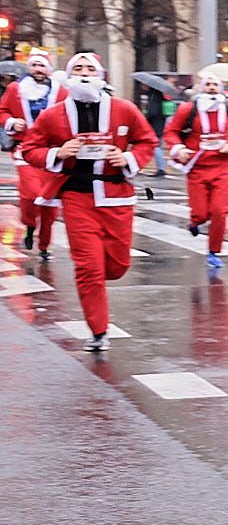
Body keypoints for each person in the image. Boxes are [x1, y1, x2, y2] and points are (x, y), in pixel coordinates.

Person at [17, 53, 157, 351]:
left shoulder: (124, 109)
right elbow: (31, 149)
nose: (83, 73)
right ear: (68, 76)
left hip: (117, 197)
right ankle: (98, 331)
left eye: (89, 68)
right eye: (77, 68)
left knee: (117, 266)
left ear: (101, 74)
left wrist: (128, 158)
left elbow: (147, 141)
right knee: (88, 268)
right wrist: (58, 153)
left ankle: (99, 280)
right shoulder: (53, 115)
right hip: (76, 197)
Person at [163, 72, 228, 269]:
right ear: (201, 87)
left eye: (215, 84)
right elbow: (171, 132)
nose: (212, 88)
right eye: (208, 84)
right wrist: (179, 148)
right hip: (197, 166)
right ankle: (195, 222)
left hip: (221, 167)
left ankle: (213, 252)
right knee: (201, 213)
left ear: (220, 88)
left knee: (220, 211)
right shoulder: (188, 109)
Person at [3, 49, 63, 259]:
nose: (38, 70)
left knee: (50, 201)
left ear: (49, 69)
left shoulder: (61, 92)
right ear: (29, 68)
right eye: (34, 65)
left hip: (52, 152)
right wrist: (11, 122)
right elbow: (2, 111)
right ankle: (29, 225)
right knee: (29, 195)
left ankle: (45, 245)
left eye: (42, 66)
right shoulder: (16, 89)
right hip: (26, 149)